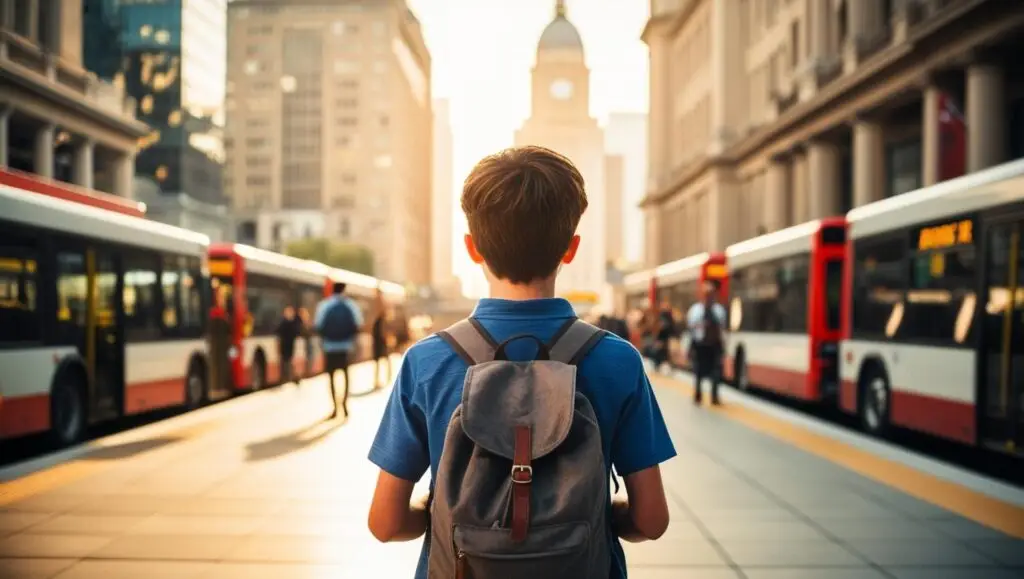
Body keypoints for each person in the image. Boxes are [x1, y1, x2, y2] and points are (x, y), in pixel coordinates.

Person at [367, 145, 675, 578]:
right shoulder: (616, 360)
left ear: (473, 248)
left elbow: (385, 522)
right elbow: (651, 519)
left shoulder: (428, 361)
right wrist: (590, 522)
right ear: (571, 248)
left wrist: (446, 515)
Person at [314, 282, 363, 419]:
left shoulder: (324, 305)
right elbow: (358, 324)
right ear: (344, 290)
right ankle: (345, 406)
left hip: (329, 347)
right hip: (346, 347)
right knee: (346, 376)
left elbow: (318, 325)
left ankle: (335, 408)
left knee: (331, 377)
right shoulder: (350, 305)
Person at [686, 279, 728, 405]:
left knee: (715, 371)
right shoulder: (695, 310)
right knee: (699, 370)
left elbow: (722, 329)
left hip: (714, 345)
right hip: (700, 345)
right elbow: (691, 329)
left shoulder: (719, 310)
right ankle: (698, 394)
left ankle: (714, 396)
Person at [275, 305, 302, 384]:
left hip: (289, 346)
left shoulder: (292, 323)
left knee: (288, 361)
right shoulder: (285, 323)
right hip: (285, 345)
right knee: (286, 362)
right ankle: (287, 377)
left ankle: (289, 377)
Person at [371, 288, 391, 390]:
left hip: (379, 337)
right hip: (380, 337)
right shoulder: (382, 313)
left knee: (380, 360)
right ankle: (386, 378)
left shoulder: (379, 315)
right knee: (384, 359)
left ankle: (382, 379)